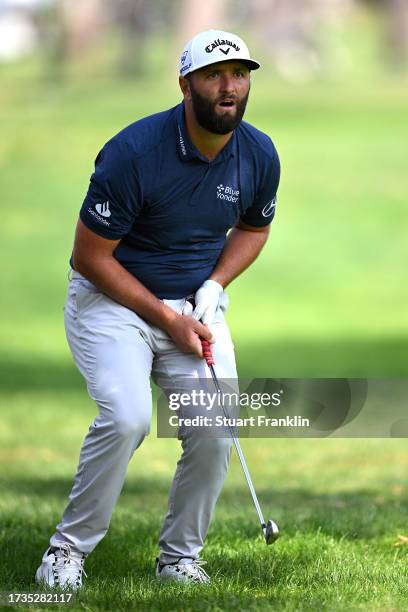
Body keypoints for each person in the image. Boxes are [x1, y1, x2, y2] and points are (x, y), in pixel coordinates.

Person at [35, 28, 280, 588]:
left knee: (214, 426)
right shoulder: (134, 153)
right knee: (127, 417)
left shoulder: (258, 153)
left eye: (240, 74)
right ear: (185, 84)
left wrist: (215, 287)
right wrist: (168, 318)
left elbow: (254, 228)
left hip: (192, 305)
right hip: (111, 301)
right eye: (214, 75)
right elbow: (89, 257)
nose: (229, 87)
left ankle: (179, 560)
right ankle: (65, 552)